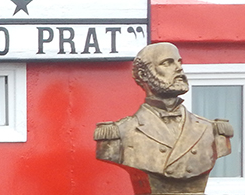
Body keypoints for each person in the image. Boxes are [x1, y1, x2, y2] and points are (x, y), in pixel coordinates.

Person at [95, 42, 233, 180]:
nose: (179, 68)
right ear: (143, 75)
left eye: (179, 62)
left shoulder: (211, 130)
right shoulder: (120, 132)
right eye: (167, 63)